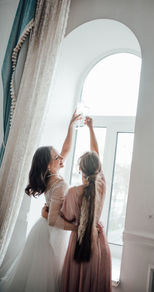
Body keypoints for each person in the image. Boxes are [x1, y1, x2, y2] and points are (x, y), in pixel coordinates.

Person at [0, 111, 80, 292]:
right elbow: (53, 219)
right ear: (47, 165)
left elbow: (65, 149)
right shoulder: (60, 184)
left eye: (59, 156)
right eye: (57, 157)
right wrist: (77, 227)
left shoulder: (50, 176)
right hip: (51, 233)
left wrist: (71, 127)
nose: (61, 158)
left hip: (43, 229)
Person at [43, 116, 112, 292]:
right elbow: (95, 153)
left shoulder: (74, 192)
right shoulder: (101, 184)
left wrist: (46, 213)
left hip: (80, 244)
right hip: (99, 243)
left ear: (79, 169)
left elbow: (63, 218)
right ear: (98, 168)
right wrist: (91, 128)